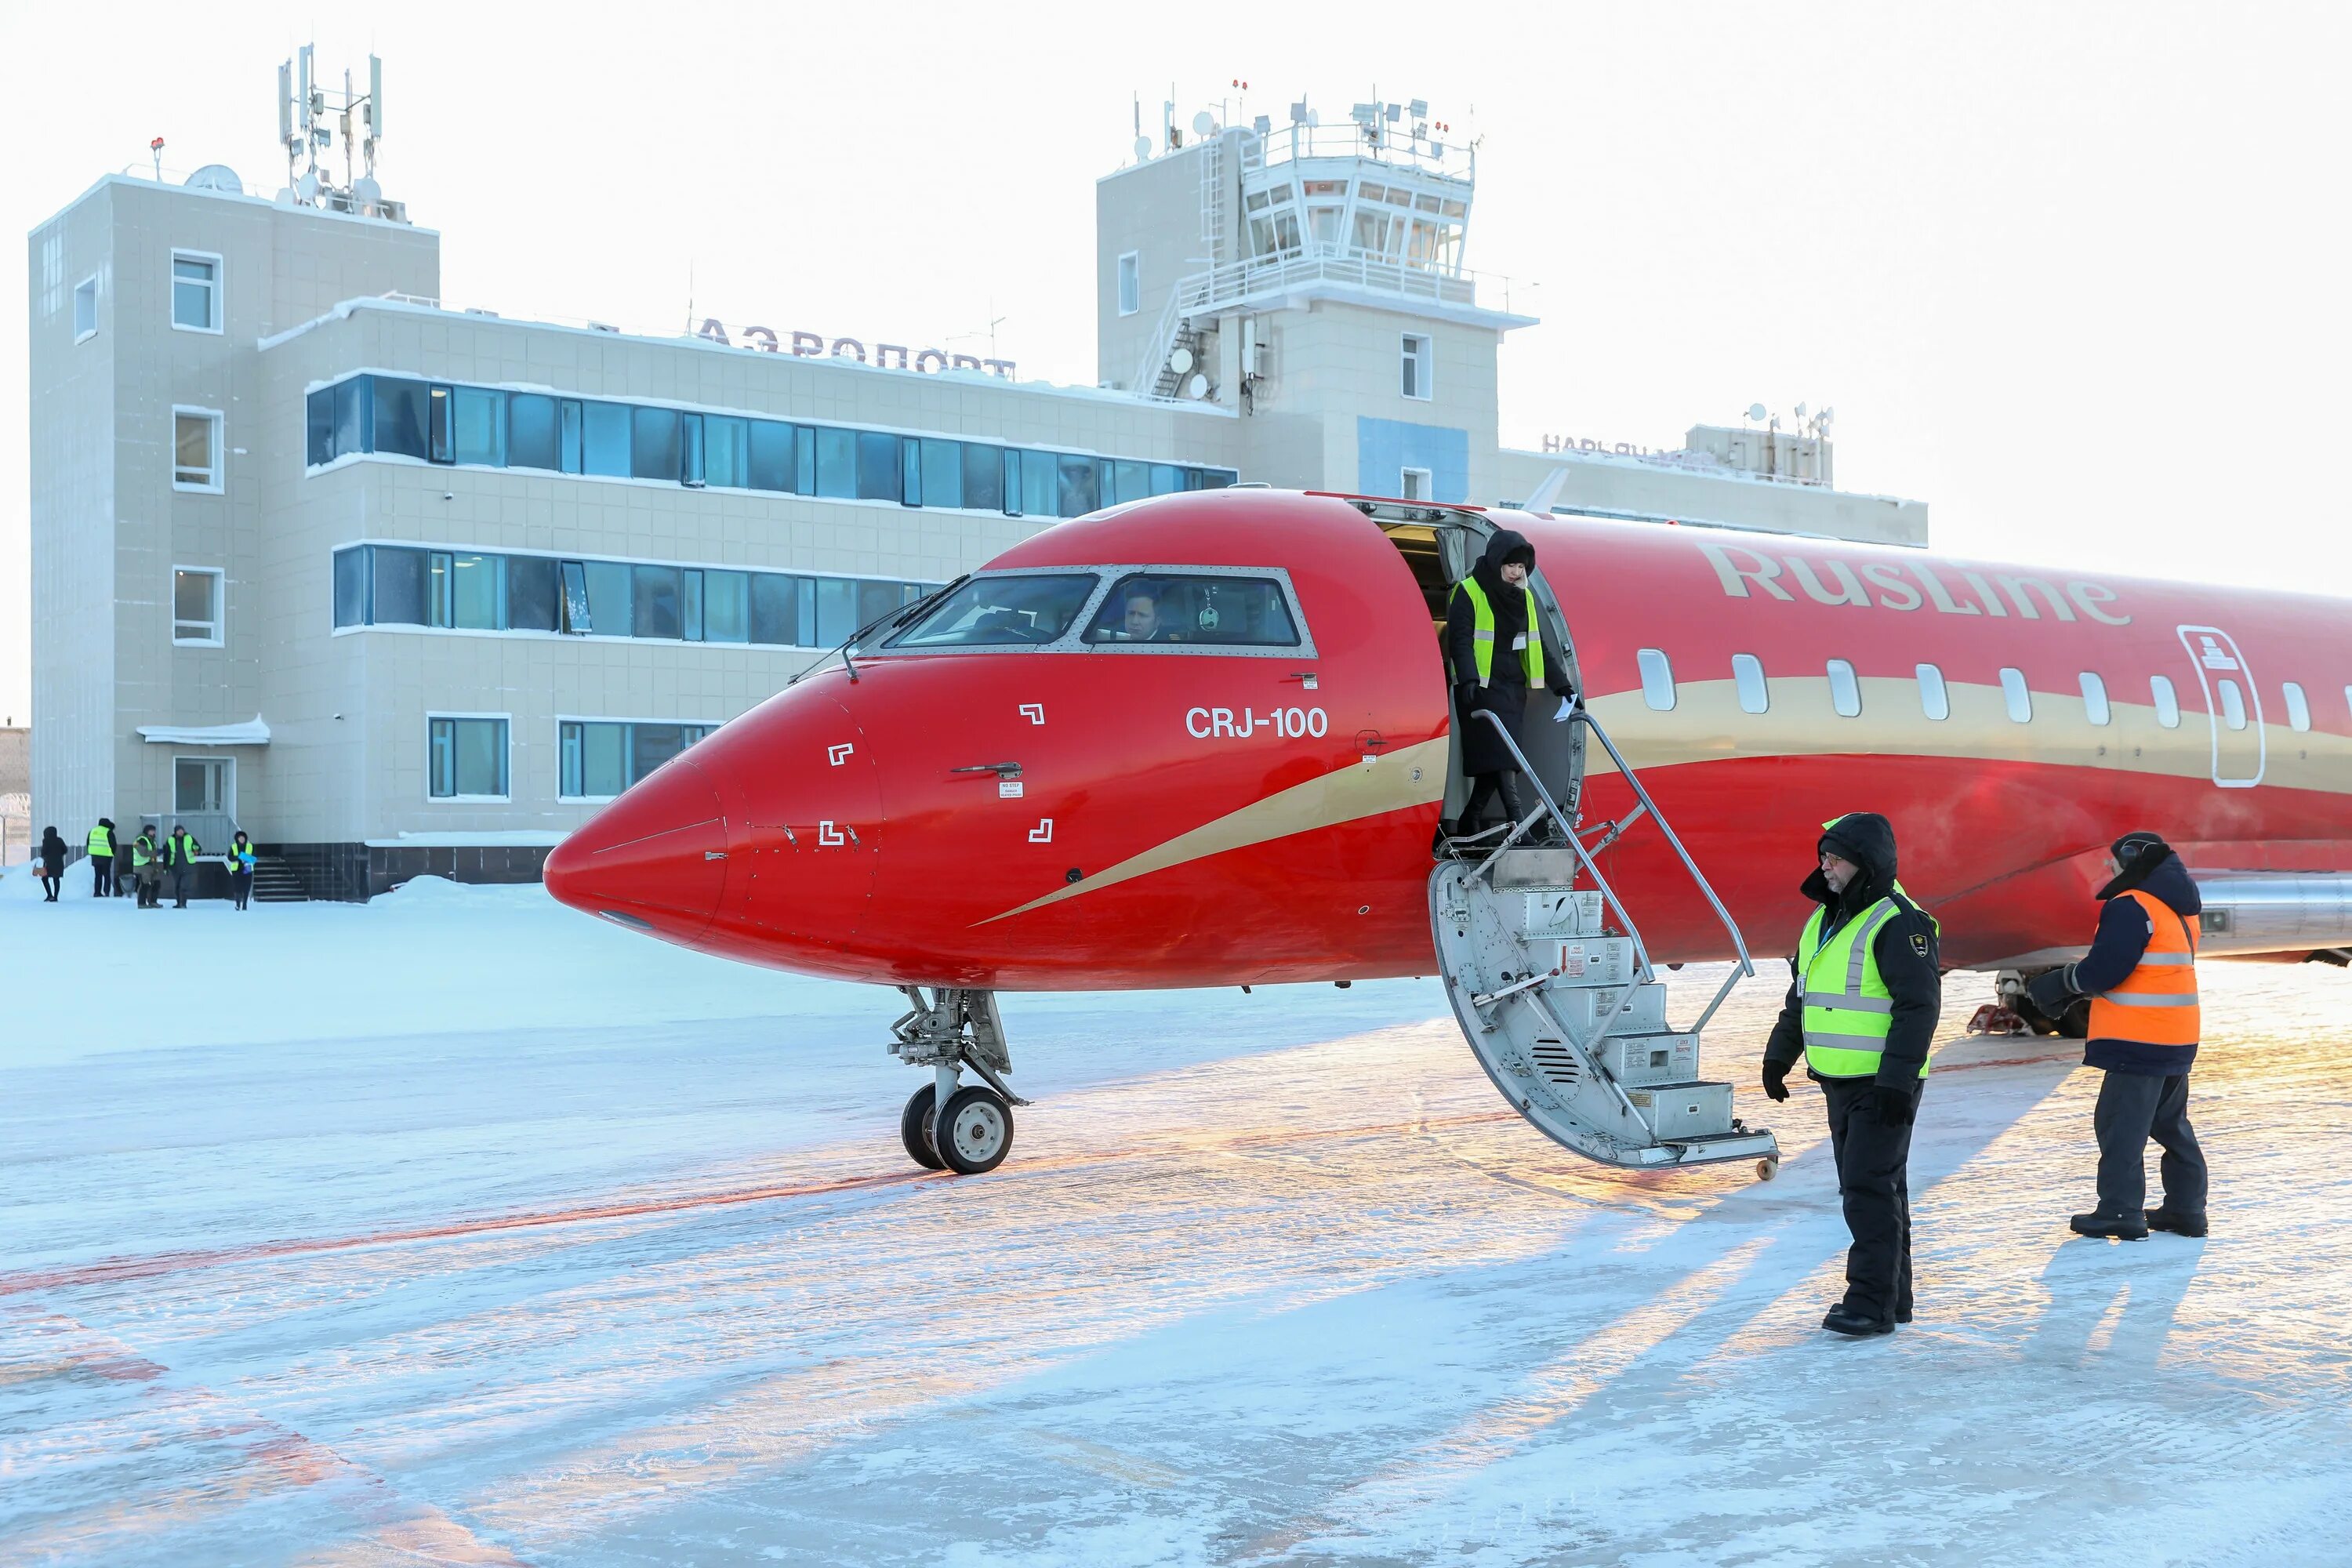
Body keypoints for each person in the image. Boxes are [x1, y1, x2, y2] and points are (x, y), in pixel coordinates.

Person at [1761, 812, 1943, 1336]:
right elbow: (1803, 996)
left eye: (1834, 858)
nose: (1826, 866)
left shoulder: (1897, 921)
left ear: (1864, 861)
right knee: (1879, 1189)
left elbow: (1919, 1006)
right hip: (1840, 1079)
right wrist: (1780, 1056)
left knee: (1867, 1191)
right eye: (1823, 857)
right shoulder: (1824, 919)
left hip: (1882, 1083)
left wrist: (1896, 1082)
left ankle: (1869, 1303)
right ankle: (1894, 1297)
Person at [2028, 833, 2209, 1240]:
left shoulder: (2132, 905)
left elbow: (2106, 970)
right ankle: (2185, 1210)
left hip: (2139, 1037)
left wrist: (2059, 984)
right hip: (2176, 1032)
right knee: (2169, 1124)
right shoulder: (2177, 907)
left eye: (2113, 862)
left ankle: (2121, 1212)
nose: (2109, 869)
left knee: (2119, 1126)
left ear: (2132, 861)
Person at [1444, 529, 1575, 837]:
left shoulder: (1524, 596)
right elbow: (1460, 641)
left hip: (1513, 688)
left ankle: (1470, 818)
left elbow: (1537, 644)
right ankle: (1520, 823)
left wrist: (1563, 686)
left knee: (1502, 757)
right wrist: (1469, 677)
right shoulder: (1468, 590)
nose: (1516, 573)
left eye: (1521, 567)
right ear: (1496, 561)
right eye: (1511, 566)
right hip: (1481, 688)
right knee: (1502, 755)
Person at [165, 823, 202, 909]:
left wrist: (196, 850)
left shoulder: (189, 838)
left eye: (182, 830)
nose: (181, 832)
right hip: (175, 867)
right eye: (179, 831)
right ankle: (179, 903)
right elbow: (166, 854)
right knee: (177, 886)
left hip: (188, 866)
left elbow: (198, 847)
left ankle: (183, 903)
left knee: (184, 886)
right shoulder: (170, 840)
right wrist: (165, 867)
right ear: (175, 832)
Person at [226, 829, 257, 911]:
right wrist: (239, 857)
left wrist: (243, 857)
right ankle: (238, 904)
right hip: (236, 870)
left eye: (243, 838)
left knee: (246, 887)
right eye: (240, 838)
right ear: (237, 839)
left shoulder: (250, 846)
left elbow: (254, 858)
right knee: (237, 887)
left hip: (247, 869)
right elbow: (230, 857)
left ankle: (245, 904)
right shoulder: (233, 847)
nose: (242, 840)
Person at [131, 825, 161, 908]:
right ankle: (141, 903)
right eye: (151, 830)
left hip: (152, 866)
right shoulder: (141, 840)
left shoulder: (152, 841)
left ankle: (153, 901)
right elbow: (143, 853)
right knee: (145, 885)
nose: (153, 832)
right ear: (147, 831)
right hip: (142, 866)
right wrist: (156, 852)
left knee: (156, 884)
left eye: (154, 830)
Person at [85, 817, 115, 897]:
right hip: (106, 856)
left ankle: (97, 892)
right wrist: (112, 853)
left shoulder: (92, 831)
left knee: (98, 875)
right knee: (106, 875)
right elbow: (113, 844)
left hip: (95, 856)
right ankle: (107, 892)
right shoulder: (108, 832)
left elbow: (88, 843)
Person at [38, 826, 67, 900]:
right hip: (59, 863)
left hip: (48, 864)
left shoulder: (46, 841)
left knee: (44, 879)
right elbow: (65, 850)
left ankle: (49, 895)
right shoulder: (60, 840)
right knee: (56, 879)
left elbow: (43, 852)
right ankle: (56, 897)